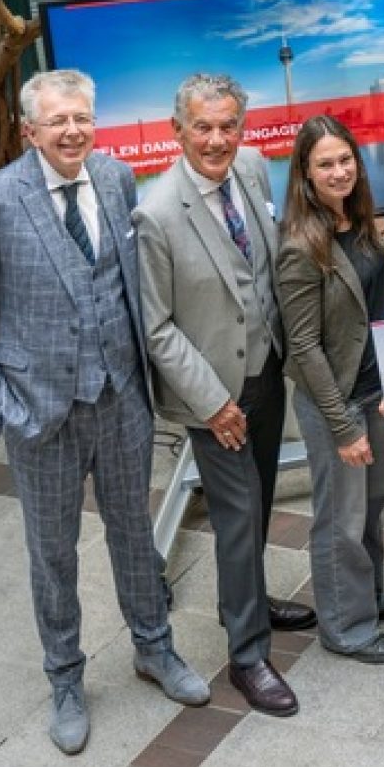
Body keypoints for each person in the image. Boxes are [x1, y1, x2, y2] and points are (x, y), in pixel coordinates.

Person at [0, 70, 210, 754]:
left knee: (134, 537)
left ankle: (155, 647)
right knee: (53, 555)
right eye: (57, 121)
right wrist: (1, 411)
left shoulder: (118, 180)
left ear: (96, 123)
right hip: (41, 415)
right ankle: (65, 678)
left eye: (82, 119)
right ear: (30, 130)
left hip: (121, 401)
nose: (72, 131)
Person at [134, 73, 308, 717]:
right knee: (236, 517)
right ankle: (248, 654)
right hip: (215, 400)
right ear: (177, 131)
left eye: (227, 125)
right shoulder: (154, 214)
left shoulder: (257, 169)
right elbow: (156, 326)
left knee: (258, 505)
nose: (217, 139)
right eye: (202, 127)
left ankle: (252, 599)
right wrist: (211, 404)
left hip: (266, 376)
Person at [276, 116, 384, 666]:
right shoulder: (300, 246)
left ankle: (370, 595)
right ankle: (346, 627)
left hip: (376, 390)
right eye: (325, 164)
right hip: (337, 401)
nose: (339, 172)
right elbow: (303, 346)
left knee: (373, 504)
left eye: (345, 160)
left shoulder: (358, 225)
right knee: (340, 519)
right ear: (305, 176)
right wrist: (342, 425)